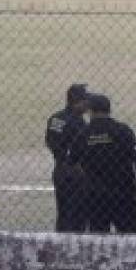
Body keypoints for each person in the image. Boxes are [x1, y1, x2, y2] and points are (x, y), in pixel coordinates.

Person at [70, 94, 136, 234]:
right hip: (123, 191)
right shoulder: (123, 130)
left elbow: (72, 161)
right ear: (109, 110)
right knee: (131, 234)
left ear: (91, 110)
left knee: (99, 235)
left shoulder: (84, 133)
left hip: (95, 193)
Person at [45, 84, 89, 233]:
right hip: (76, 173)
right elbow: (83, 148)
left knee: (63, 213)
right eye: (85, 100)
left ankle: (60, 241)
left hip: (59, 170)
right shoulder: (78, 122)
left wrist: (61, 156)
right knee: (77, 216)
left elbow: (50, 142)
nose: (88, 104)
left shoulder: (55, 118)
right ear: (77, 101)